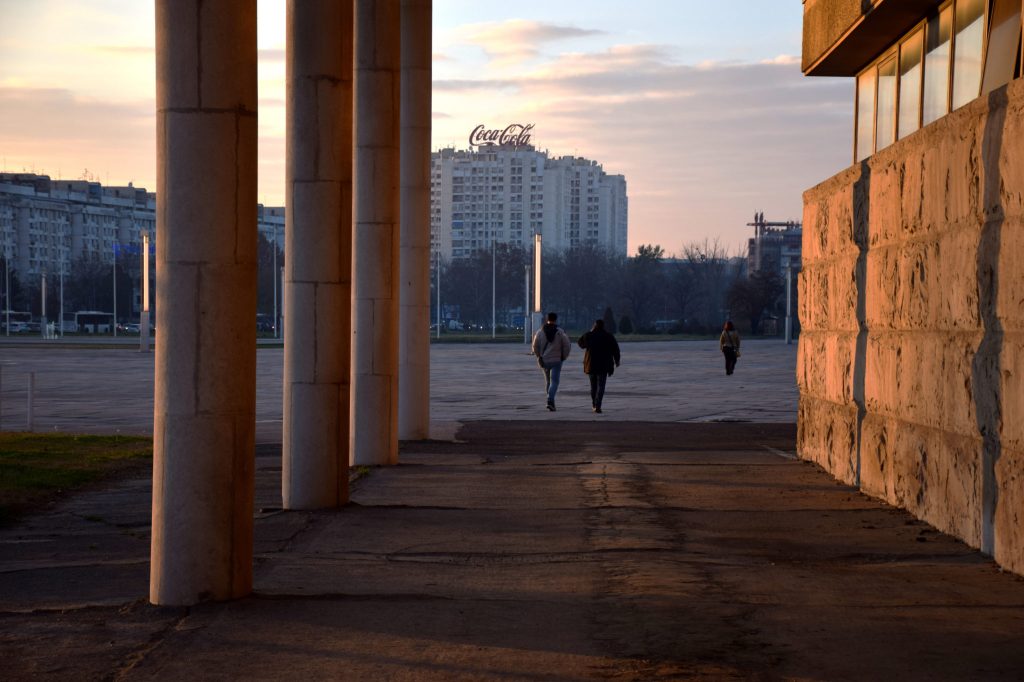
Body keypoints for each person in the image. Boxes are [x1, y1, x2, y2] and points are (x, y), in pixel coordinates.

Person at [577, 318, 620, 413]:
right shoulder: (608, 336)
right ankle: (598, 404)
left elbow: (580, 343)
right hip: (604, 365)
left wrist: (590, 331)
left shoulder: (589, 335)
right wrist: (617, 361)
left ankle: (593, 404)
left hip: (591, 364)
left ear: (594, 326)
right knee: (601, 386)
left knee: (593, 386)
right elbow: (615, 349)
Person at [531, 311, 572, 411]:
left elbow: (535, 346)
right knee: (554, 382)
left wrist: (539, 356)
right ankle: (550, 400)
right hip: (557, 360)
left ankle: (550, 400)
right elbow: (567, 345)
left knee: (548, 382)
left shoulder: (540, 332)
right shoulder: (560, 332)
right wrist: (564, 356)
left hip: (545, 360)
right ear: (556, 319)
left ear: (547, 319)